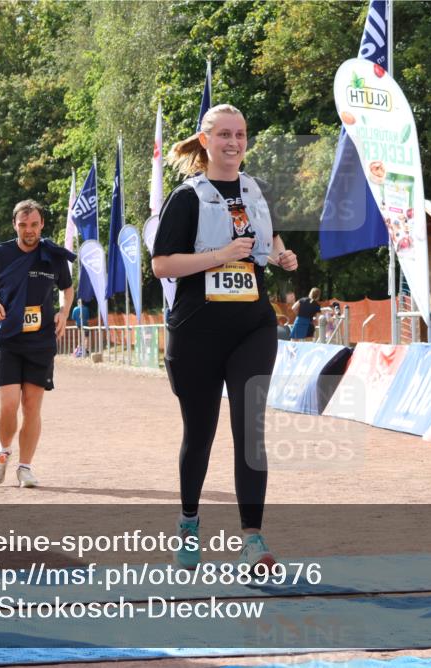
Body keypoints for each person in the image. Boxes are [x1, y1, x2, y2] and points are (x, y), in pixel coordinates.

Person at [152, 104, 299, 571]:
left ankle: (252, 539)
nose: (233, 143)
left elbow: (265, 239)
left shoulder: (256, 190)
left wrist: (279, 255)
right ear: (205, 140)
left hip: (251, 327)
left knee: (250, 431)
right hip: (196, 331)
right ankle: (189, 524)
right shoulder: (187, 197)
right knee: (200, 433)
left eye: (241, 135)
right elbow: (162, 265)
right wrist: (217, 256)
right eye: (224, 136)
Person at [0, 199, 75, 488]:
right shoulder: (0, 254)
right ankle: (3, 452)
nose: (29, 230)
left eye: (34, 224)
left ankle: (25, 467)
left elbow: (67, 289)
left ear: (42, 224)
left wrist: (63, 312)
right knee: (9, 405)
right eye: (23, 225)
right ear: (14, 225)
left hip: (41, 341)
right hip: (8, 339)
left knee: (32, 406)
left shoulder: (53, 255)